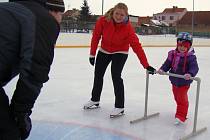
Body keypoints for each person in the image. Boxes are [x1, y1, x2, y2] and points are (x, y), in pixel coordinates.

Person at [0, 0, 65, 139]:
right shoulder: (43, 20)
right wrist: (20, 115)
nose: (60, 20)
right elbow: (35, 71)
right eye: (61, 14)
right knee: (8, 133)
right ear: (54, 11)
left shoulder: (8, 9)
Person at [83, 3, 156, 117]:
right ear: (113, 12)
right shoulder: (103, 20)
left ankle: (119, 107)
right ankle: (95, 99)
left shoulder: (128, 29)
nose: (118, 16)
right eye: (117, 13)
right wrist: (92, 54)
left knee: (116, 75)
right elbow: (96, 36)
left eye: (122, 15)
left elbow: (137, 47)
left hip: (120, 52)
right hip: (104, 50)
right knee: (98, 74)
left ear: (126, 16)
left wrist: (146, 65)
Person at [157, 32, 199, 125]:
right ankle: (181, 111)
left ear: (189, 46)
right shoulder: (172, 54)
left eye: (185, 46)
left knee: (181, 99)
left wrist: (190, 73)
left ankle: (181, 116)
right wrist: (162, 69)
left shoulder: (190, 57)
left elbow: (194, 67)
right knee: (177, 98)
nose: (182, 48)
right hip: (174, 80)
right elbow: (167, 64)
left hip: (184, 82)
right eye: (180, 45)